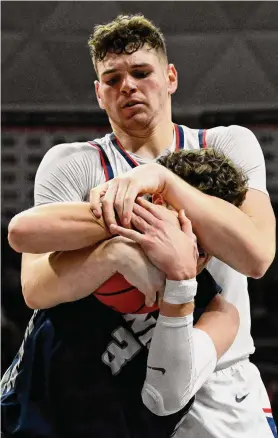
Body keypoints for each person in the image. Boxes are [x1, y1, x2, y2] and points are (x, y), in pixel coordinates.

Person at [4, 13, 276, 437]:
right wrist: (116, 248)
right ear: (98, 94)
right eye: (111, 79)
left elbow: (257, 255)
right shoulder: (72, 163)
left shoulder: (224, 145)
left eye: (141, 72)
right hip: (112, 382)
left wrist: (162, 181)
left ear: (170, 77)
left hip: (217, 374)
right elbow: (35, 286)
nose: (127, 86)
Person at [2, 148, 243, 438]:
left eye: (210, 234)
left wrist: (181, 281)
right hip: (26, 423)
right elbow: (20, 232)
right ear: (159, 203)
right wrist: (115, 251)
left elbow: (165, 397)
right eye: (189, 222)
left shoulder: (217, 311)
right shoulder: (106, 225)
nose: (195, 240)